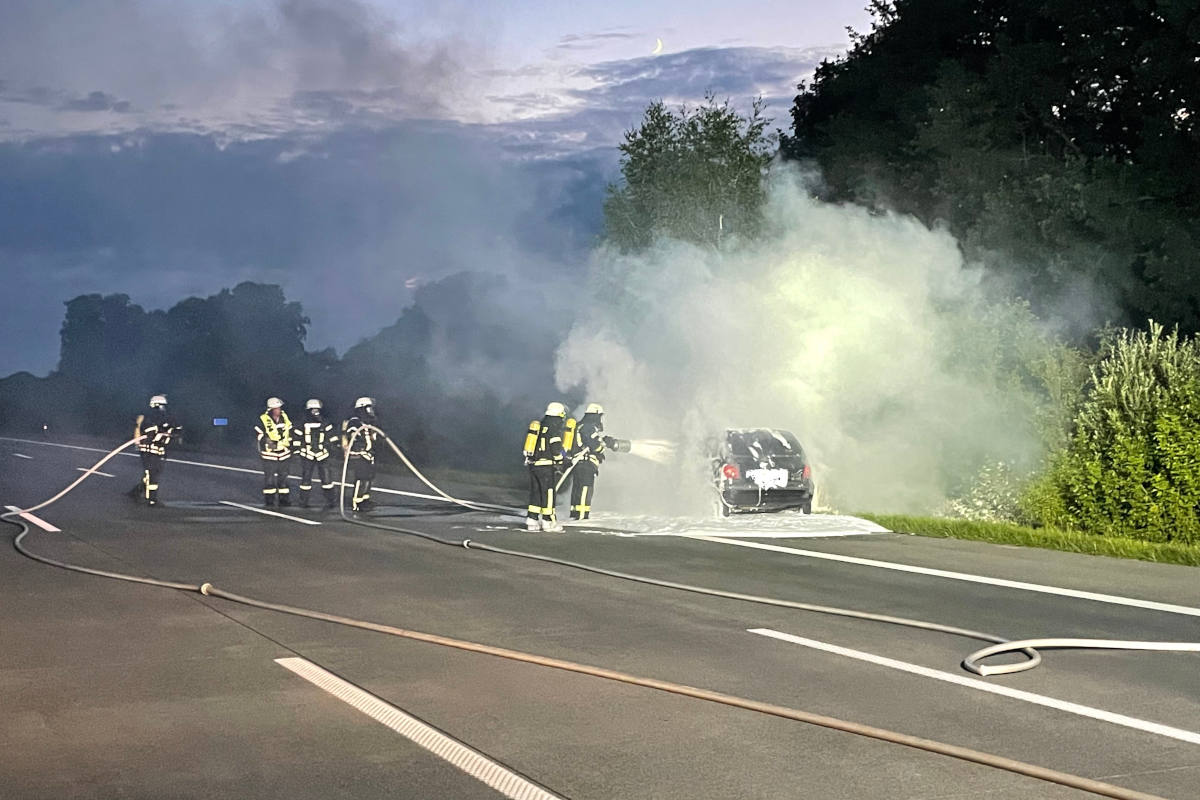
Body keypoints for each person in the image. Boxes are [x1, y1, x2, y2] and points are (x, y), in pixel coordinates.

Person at [568, 403, 630, 521]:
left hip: (579, 462)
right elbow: (594, 445)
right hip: (586, 463)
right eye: (600, 416)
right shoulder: (588, 426)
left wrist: (604, 440)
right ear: (595, 415)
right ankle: (581, 516)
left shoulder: (581, 425)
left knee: (577, 488)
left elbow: (589, 441)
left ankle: (575, 514)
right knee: (585, 488)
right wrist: (603, 446)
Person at [522, 401, 574, 532]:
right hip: (546, 467)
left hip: (534, 465)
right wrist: (563, 459)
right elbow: (556, 449)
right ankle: (548, 522)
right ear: (559, 415)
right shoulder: (553, 429)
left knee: (536, 493)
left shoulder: (540, 427)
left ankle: (532, 521)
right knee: (548, 494)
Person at [128, 394, 181, 507]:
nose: (162, 409)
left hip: (160, 450)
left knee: (154, 473)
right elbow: (146, 430)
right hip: (148, 451)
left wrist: (173, 433)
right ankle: (152, 499)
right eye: (161, 406)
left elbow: (176, 428)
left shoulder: (167, 418)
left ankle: (137, 491)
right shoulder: (148, 417)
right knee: (152, 474)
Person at [296, 398, 339, 509]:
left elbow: (331, 436)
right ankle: (303, 501)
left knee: (327, 480)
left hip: (322, 454)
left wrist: (335, 447)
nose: (316, 412)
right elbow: (297, 437)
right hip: (307, 455)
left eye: (317, 410)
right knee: (306, 480)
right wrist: (297, 450)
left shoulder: (324, 422)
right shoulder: (302, 422)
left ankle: (331, 501)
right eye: (313, 410)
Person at [341, 396, 378, 512]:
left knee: (368, 478)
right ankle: (357, 502)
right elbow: (353, 436)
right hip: (358, 455)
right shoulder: (355, 422)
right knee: (361, 478)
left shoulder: (368, 422)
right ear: (362, 409)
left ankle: (365, 500)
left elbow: (372, 438)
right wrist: (360, 447)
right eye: (368, 408)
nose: (371, 410)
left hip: (367, 455)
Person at [255, 397, 293, 507]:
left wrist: (292, 447)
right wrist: (266, 441)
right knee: (270, 478)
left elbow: (290, 432)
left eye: (279, 408)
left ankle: (284, 500)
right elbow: (258, 434)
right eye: (276, 408)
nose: (278, 410)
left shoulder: (285, 418)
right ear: (271, 409)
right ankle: (269, 501)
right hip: (269, 454)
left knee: (284, 478)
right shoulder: (263, 420)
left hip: (284, 453)